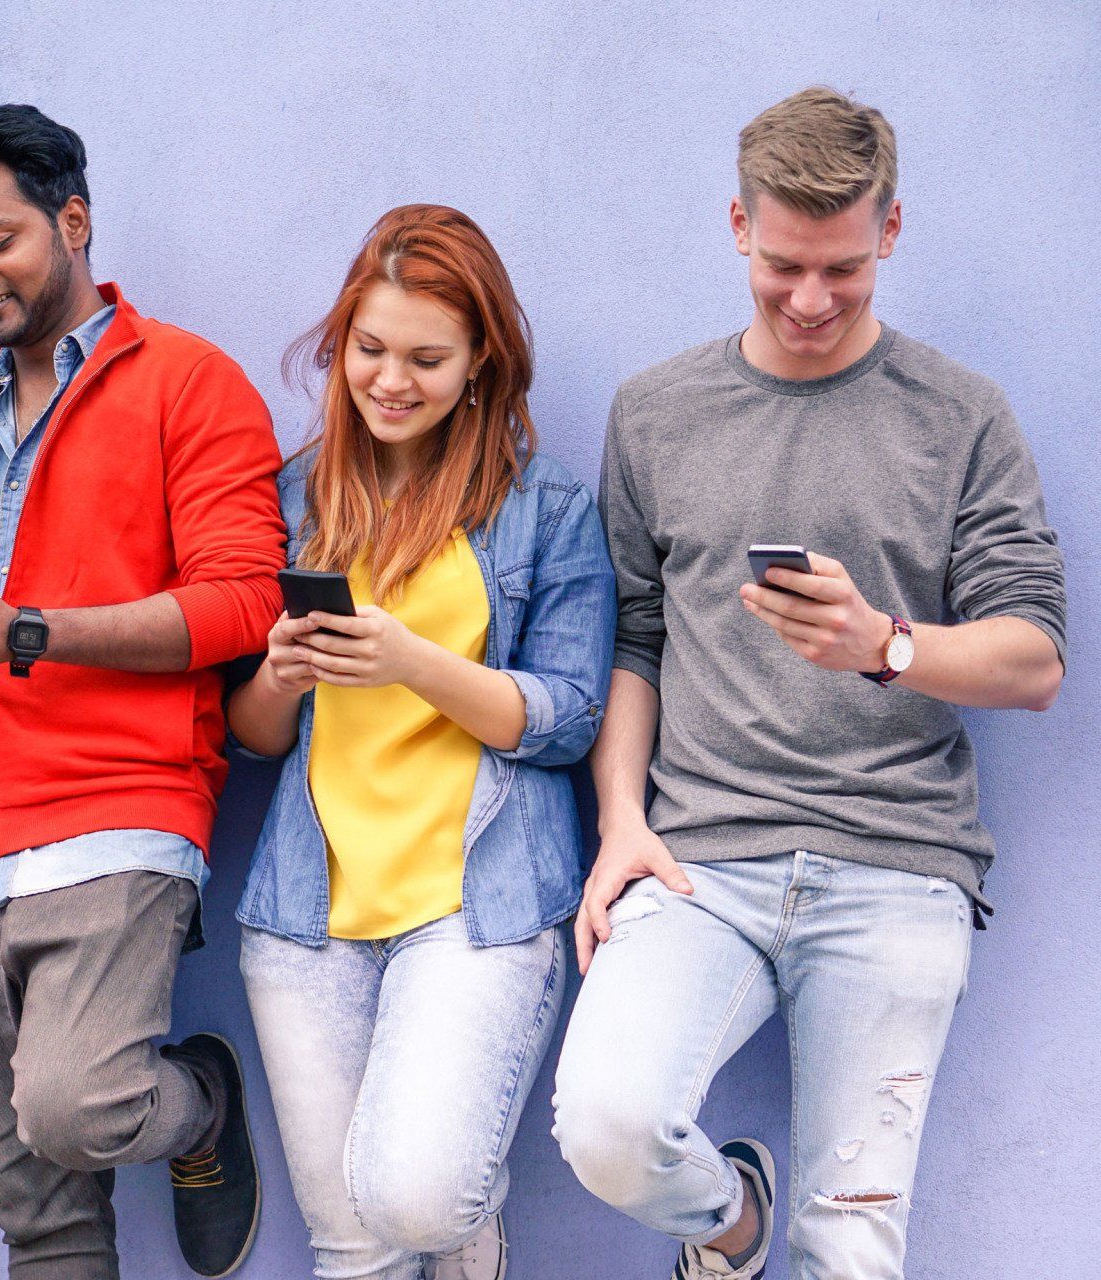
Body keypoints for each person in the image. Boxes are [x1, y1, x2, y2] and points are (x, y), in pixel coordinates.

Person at [552, 87, 1066, 1280]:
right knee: (608, 1126)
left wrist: (886, 644)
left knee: (854, 1244)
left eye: (844, 268)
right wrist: (620, 820)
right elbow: (636, 639)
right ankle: (732, 1222)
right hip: (696, 863)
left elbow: (1035, 656)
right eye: (784, 264)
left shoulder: (962, 416)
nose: (812, 300)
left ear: (890, 233)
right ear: (739, 225)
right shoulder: (657, 412)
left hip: (897, 862)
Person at [0, 104, 285, 1279]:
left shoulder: (192, 383)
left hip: (118, 819)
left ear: (75, 218)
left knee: (77, 1108)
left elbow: (242, 604)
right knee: (29, 1205)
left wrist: (30, 631)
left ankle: (201, 1100)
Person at [228, 204, 615, 1280]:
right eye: (370, 349)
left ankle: (469, 1226)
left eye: (427, 358)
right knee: (354, 1252)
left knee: (420, 1194)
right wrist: (278, 672)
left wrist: (412, 661)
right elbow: (253, 737)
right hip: (310, 911)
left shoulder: (546, 508)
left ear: (483, 360)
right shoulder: (295, 499)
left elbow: (572, 718)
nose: (391, 379)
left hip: (476, 905)